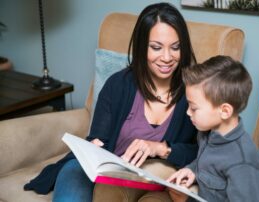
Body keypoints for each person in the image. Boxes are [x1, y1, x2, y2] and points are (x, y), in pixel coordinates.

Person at [24, 2, 198, 202]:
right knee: (71, 180)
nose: (167, 57)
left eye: (175, 48)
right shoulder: (118, 84)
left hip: (146, 178)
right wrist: (94, 145)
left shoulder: (194, 92)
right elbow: (99, 138)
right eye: (156, 47)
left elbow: (205, 152)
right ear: (142, 47)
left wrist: (160, 148)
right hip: (103, 170)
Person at [167, 56, 259, 202]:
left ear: (225, 111)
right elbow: (207, 163)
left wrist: (187, 201)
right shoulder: (208, 133)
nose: (188, 112)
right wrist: (192, 170)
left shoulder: (243, 165)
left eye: (193, 108)